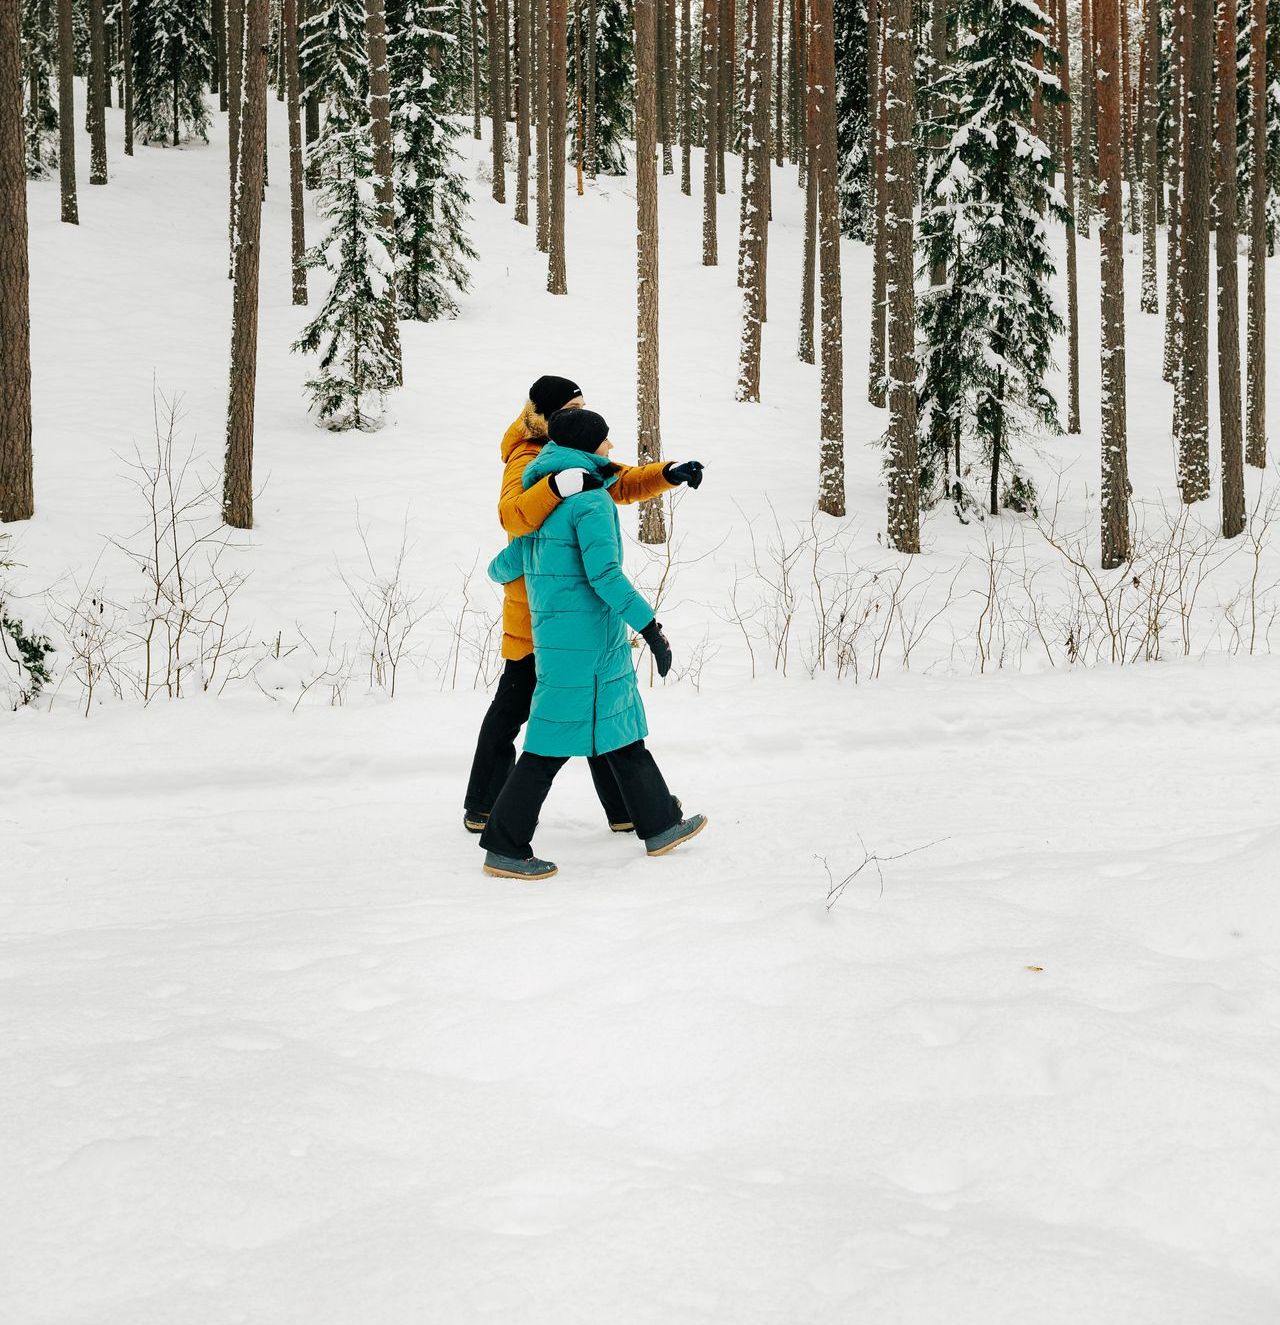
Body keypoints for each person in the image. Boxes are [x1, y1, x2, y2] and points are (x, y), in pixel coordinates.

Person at [463, 375, 704, 835]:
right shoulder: (528, 459)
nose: (578, 413)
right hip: (535, 609)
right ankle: (486, 809)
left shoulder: (574, 455)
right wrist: (555, 487)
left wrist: (667, 473)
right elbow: (513, 516)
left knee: (595, 708)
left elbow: (617, 478)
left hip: (567, 606)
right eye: (571, 408)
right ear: (548, 417)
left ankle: (628, 810)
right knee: (518, 711)